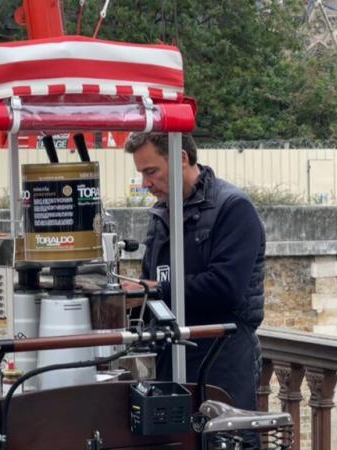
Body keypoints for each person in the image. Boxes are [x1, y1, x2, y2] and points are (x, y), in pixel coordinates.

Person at [123, 132, 265, 417]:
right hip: (172, 357)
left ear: (181, 158)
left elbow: (225, 288)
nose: (145, 184)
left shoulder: (233, 208)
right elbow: (152, 278)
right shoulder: (162, 214)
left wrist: (152, 292)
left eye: (151, 171)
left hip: (222, 361)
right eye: (141, 174)